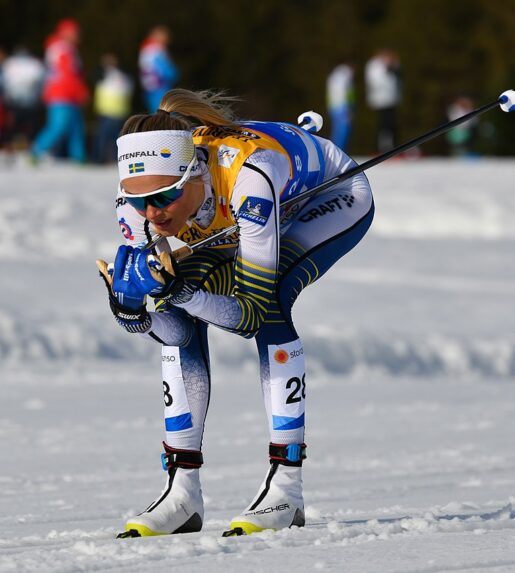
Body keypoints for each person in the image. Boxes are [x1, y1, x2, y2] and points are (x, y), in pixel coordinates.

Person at [97, 89, 375, 538]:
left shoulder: (251, 177)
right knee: (174, 298)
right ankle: (181, 491)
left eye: (164, 197)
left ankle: (287, 489)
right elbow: (173, 331)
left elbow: (250, 315)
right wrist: (133, 313)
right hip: (235, 217)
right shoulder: (139, 203)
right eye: (137, 200)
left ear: (193, 174)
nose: (151, 212)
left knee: (274, 299)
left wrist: (181, 292)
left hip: (329, 196)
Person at [31, 18, 90, 163]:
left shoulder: (68, 49)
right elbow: (68, 74)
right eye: (75, 33)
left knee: (76, 127)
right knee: (59, 125)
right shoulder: (61, 48)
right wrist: (81, 91)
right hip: (60, 94)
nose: (77, 36)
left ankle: (79, 157)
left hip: (69, 94)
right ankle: (36, 151)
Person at [2, 47, 45, 151]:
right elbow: (41, 82)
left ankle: (12, 147)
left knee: (14, 127)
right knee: (28, 128)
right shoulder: (35, 64)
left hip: (16, 102)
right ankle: (29, 148)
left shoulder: (10, 63)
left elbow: (4, 83)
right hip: (28, 102)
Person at [92, 53, 133, 163]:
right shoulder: (105, 75)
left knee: (108, 136)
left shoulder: (115, 75)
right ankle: (105, 158)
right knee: (109, 136)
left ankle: (104, 158)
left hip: (111, 110)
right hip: (110, 110)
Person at [365, 48, 401, 153]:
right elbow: (376, 81)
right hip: (381, 100)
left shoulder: (389, 66)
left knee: (391, 124)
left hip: (390, 100)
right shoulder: (375, 65)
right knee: (383, 125)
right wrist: (387, 68)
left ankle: (392, 147)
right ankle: (382, 148)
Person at [138, 26, 178, 112]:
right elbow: (166, 71)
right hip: (159, 87)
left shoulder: (146, 49)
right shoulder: (156, 50)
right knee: (165, 114)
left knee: (157, 114)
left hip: (150, 88)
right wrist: (175, 74)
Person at [326, 62, 355, 152]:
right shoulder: (345, 75)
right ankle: (339, 152)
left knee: (336, 131)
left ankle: (334, 152)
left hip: (334, 107)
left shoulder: (334, 75)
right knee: (343, 132)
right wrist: (348, 108)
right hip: (343, 107)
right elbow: (343, 92)